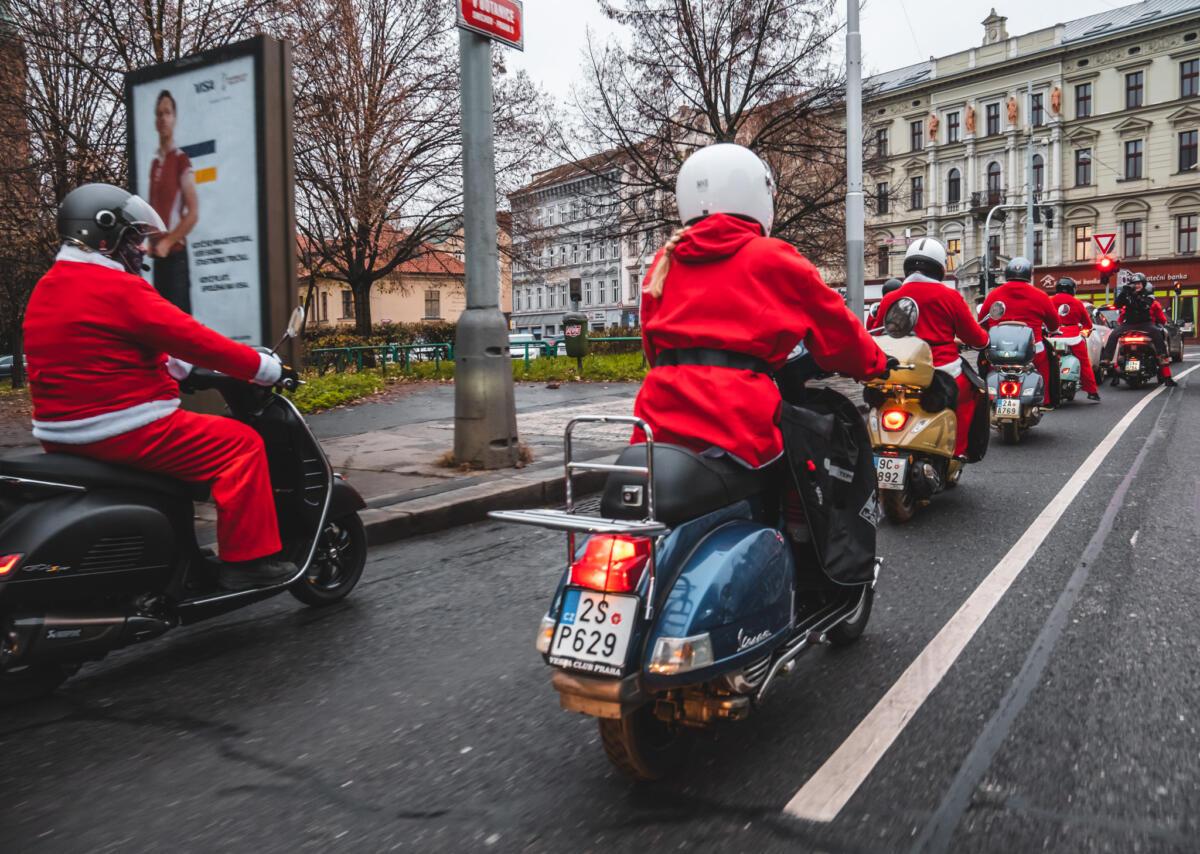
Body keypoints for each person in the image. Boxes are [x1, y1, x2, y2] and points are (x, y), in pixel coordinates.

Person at [23, 183, 294, 591]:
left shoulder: (49, 287)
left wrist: (174, 365)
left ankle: (184, 557)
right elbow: (194, 338)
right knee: (240, 445)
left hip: (61, 434)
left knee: (178, 468)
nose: (141, 249)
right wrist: (263, 368)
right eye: (133, 238)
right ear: (105, 235)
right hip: (123, 428)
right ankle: (248, 562)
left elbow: (98, 346)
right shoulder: (116, 287)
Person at [633, 143, 889, 470]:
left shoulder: (664, 261)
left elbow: (652, 346)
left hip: (657, 418)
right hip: (737, 424)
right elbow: (837, 331)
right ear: (759, 194)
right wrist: (876, 365)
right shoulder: (773, 257)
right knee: (804, 478)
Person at [876, 238, 990, 460]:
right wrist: (985, 342)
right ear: (940, 268)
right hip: (942, 370)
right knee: (973, 392)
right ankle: (957, 452)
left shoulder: (890, 298)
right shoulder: (949, 296)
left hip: (897, 370)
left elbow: (877, 333)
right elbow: (973, 336)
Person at [978, 257, 1060, 406]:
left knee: (984, 365)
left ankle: (984, 398)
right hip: (1033, 351)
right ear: (1029, 274)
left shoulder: (994, 294)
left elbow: (982, 319)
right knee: (1049, 362)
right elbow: (1054, 324)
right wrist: (1052, 329)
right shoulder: (1041, 295)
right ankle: (1046, 400)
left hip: (998, 350)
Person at [148, 90, 199, 313]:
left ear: (175, 118)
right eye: (159, 114)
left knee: (180, 326)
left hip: (176, 257)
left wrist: (168, 242)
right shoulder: (154, 164)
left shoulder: (181, 160)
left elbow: (193, 212)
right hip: (158, 260)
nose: (163, 118)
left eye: (167, 113)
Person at [1099, 272, 1176, 387]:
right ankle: (1106, 359)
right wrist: (1124, 293)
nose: (1137, 286)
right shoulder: (1127, 294)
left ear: (1143, 284)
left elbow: (1143, 305)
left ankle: (1163, 358)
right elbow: (1117, 305)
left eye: (1139, 283)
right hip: (1129, 323)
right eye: (1134, 284)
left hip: (1145, 323)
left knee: (1157, 333)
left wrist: (1134, 296)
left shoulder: (1148, 295)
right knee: (1114, 334)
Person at [1050, 277, 1101, 402]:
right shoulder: (1077, 303)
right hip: (1073, 336)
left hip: (1052, 336)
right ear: (1073, 289)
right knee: (1084, 362)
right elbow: (1087, 324)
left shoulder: (1049, 300)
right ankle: (1092, 391)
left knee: (1045, 361)